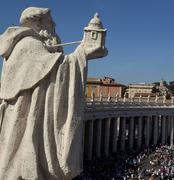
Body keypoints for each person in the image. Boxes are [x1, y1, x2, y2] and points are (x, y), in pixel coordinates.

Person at [0, 7, 105, 179]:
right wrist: (81, 54)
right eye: (51, 21)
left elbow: (49, 67)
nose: (54, 24)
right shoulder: (28, 44)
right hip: (26, 121)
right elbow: (55, 68)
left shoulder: (32, 45)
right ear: (39, 23)